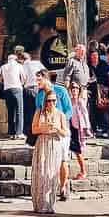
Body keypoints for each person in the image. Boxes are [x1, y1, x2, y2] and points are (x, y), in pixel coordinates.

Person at [35, 70, 73, 199]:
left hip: (60, 131)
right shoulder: (39, 95)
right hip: (46, 134)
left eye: (39, 79)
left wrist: (60, 121)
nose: (37, 82)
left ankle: (63, 186)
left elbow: (69, 110)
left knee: (63, 159)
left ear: (46, 79)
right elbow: (39, 112)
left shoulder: (60, 90)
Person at [30, 93, 69, 214]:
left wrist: (57, 128)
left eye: (53, 100)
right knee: (40, 172)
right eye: (48, 101)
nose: (50, 103)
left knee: (51, 174)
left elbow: (65, 133)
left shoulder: (60, 114)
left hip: (54, 144)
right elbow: (33, 129)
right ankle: (39, 204)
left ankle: (50, 204)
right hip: (42, 143)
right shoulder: (39, 112)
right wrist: (44, 128)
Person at [0, 53, 26, 140]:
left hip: (7, 90)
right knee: (19, 111)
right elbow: (24, 78)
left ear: (8, 60)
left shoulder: (3, 67)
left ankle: (11, 133)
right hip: (17, 88)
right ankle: (19, 133)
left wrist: (4, 81)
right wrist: (21, 84)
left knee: (10, 111)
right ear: (15, 59)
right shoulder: (19, 66)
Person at [68, 82, 91, 180]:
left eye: (76, 88)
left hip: (77, 127)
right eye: (72, 88)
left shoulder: (80, 101)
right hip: (69, 126)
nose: (74, 90)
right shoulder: (68, 101)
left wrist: (87, 128)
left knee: (77, 150)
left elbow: (85, 114)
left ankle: (83, 171)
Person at [20, 50, 46, 136]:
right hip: (38, 88)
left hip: (28, 89)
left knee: (28, 110)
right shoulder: (37, 63)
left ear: (22, 60)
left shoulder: (23, 66)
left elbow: (23, 78)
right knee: (38, 108)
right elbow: (45, 72)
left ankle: (29, 130)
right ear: (29, 58)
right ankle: (39, 127)